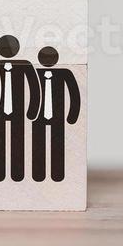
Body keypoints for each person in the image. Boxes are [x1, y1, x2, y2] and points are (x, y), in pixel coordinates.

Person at [0, 35, 40, 182]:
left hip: (19, 110)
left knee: (18, 140)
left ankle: (17, 174)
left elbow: (34, 88)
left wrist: (32, 109)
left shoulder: (25, 65)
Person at [31, 46, 81, 182]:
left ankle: (57, 175)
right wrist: (31, 113)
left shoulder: (65, 73)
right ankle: (38, 174)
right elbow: (31, 94)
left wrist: (72, 116)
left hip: (58, 116)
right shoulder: (34, 73)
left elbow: (74, 94)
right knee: (38, 144)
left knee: (58, 144)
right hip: (38, 116)